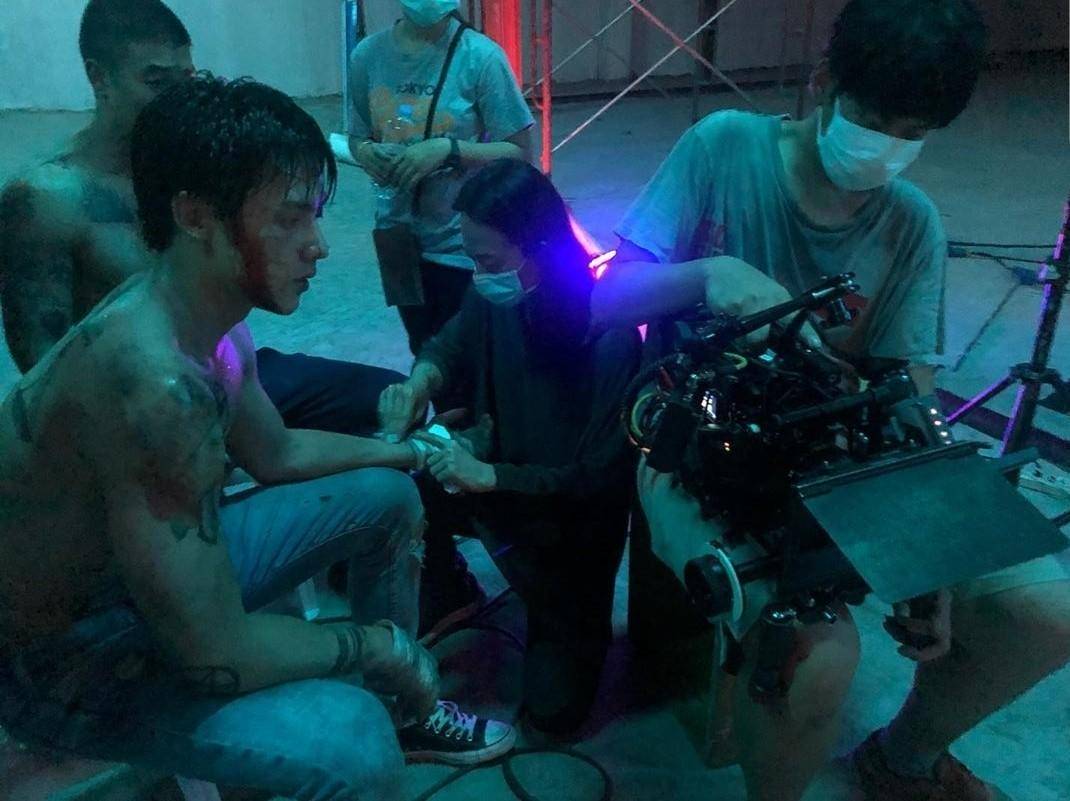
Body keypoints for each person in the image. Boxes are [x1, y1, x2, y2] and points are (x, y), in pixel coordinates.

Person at [591, 1, 1070, 799]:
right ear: (824, 82)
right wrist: (709, 275)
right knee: (815, 658)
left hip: (845, 453)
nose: (887, 146)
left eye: (913, 132)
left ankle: (904, 757)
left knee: (1046, 612)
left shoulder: (910, 224)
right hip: (698, 445)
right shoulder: (724, 148)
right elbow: (604, 300)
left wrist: (931, 560)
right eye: (875, 120)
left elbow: (910, 399)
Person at [0, 76, 516, 801]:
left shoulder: (204, 314)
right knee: (353, 743)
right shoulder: (154, 384)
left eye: (316, 216)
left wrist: (409, 452)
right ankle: (387, 710)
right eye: (289, 219)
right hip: (64, 660)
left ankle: (404, 713)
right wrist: (379, 647)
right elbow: (216, 651)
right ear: (195, 216)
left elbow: (277, 454)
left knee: (387, 497)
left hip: (141, 586)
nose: (318, 246)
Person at [0, 0, 402, 437]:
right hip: (139, 413)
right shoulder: (48, 201)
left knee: (392, 398)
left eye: (186, 79)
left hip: (219, 372)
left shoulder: (194, 166)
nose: (178, 98)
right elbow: (44, 377)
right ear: (99, 77)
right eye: (156, 81)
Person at [377, 159, 641, 736]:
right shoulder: (497, 296)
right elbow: (448, 347)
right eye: (472, 259)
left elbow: (597, 479)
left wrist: (490, 477)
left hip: (569, 531)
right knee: (394, 487)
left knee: (553, 716)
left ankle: (559, 618)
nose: (479, 275)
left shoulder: (609, 336)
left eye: (489, 261)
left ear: (539, 247)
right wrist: (418, 382)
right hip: (500, 483)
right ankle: (449, 587)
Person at [347, 0, 535, 360]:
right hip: (396, 238)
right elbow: (358, 136)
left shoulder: (480, 57)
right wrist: (366, 152)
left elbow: (519, 152)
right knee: (422, 349)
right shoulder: (367, 56)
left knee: (467, 356)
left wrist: (449, 150)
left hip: (459, 245)